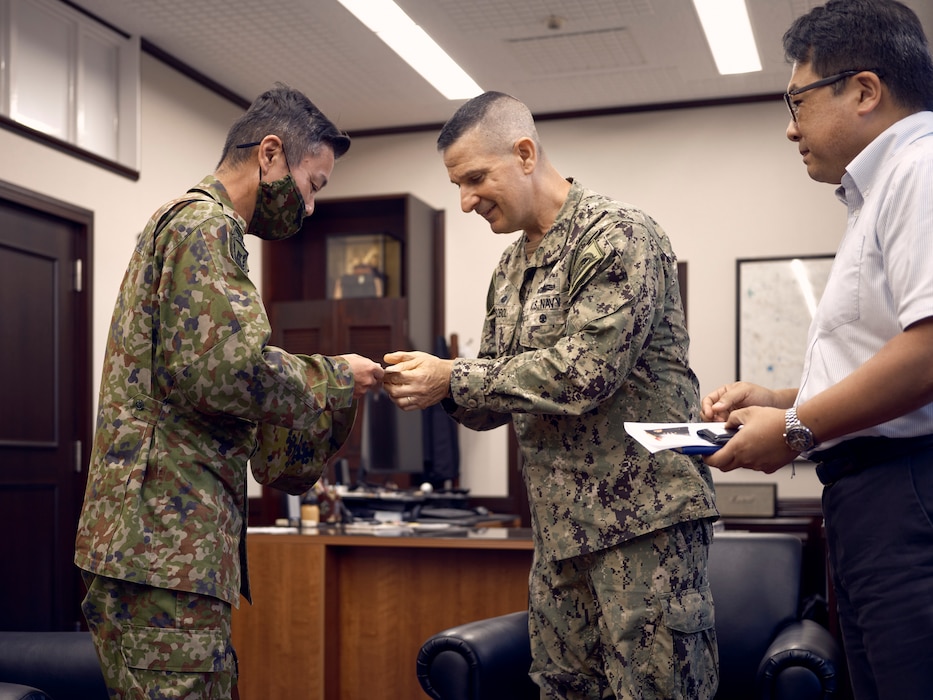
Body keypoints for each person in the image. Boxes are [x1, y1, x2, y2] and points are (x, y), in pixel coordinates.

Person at [382, 91, 719, 699]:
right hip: (560, 533)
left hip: (644, 527)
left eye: (476, 178)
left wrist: (453, 377)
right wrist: (426, 384)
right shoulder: (510, 270)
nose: (465, 201)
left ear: (526, 153)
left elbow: (584, 373)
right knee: (563, 691)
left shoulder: (617, 235)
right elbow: (495, 393)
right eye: (457, 185)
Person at [74, 84, 384, 699]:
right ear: (269, 155)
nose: (310, 206)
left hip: (157, 548)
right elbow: (226, 372)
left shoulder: (187, 225)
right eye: (314, 184)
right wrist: (338, 375)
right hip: (163, 549)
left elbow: (207, 381)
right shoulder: (205, 228)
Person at [700, 2, 933, 698]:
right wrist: (774, 401)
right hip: (872, 497)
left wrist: (796, 429)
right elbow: (885, 352)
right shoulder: (879, 191)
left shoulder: (920, 169)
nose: (789, 125)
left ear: (862, 90)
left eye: (797, 99)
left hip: (907, 492)